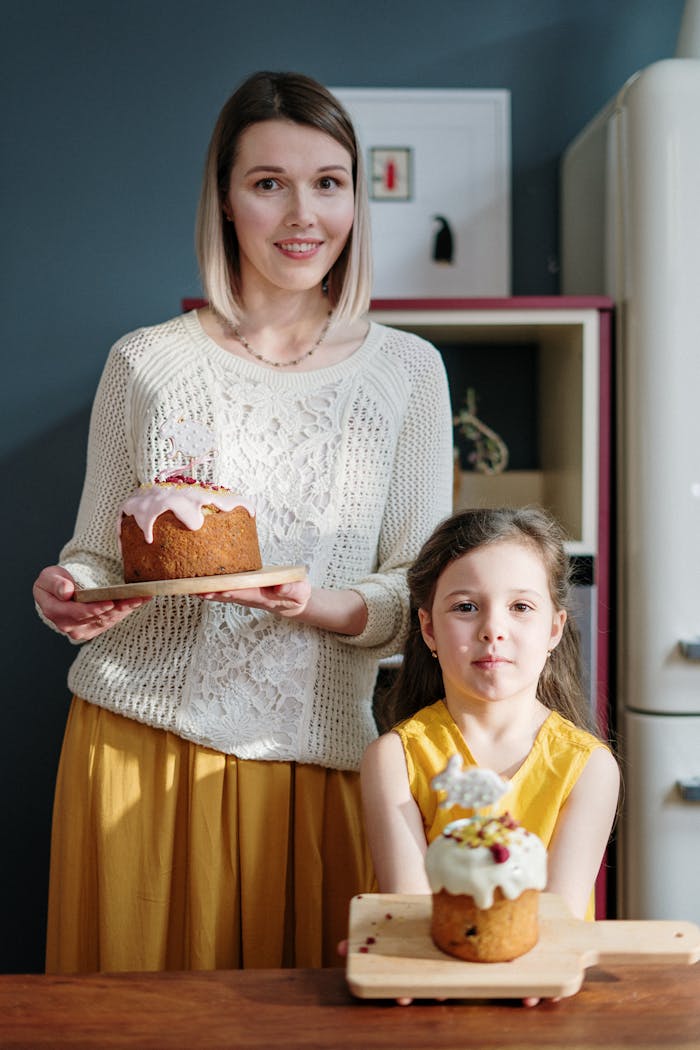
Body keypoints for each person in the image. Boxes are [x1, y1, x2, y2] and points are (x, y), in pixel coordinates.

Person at [32, 70, 454, 974]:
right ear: (226, 201)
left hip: (321, 758)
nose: (303, 214)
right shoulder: (145, 362)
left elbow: (421, 589)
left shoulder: (406, 374)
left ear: (354, 196)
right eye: (269, 184)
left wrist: (312, 602)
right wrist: (72, 593)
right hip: (138, 744)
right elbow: (100, 555)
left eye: (328, 182)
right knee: (132, 1026)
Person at [360, 506, 620, 927]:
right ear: (429, 629)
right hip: (431, 982)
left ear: (554, 629)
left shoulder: (589, 767)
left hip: (542, 981)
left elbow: (558, 923)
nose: (492, 629)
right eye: (465, 607)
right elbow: (411, 917)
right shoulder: (393, 760)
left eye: (520, 606)